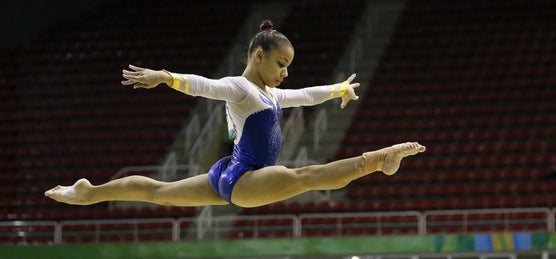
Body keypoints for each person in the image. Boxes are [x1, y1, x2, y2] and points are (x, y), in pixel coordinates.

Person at [45, 20, 426, 210]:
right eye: (281, 63)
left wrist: (338, 89)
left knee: (158, 191)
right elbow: (205, 86)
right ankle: (377, 161)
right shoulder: (241, 88)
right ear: (258, 56)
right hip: (245, 179)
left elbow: (307, 95)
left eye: (288, 65)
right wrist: (166, 77)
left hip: (229, 173)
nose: (285, 72)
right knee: (307, 176)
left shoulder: (270, 93)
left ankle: (89, 192)